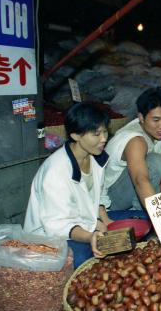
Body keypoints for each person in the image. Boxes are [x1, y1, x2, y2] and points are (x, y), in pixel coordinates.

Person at [24, 103, 123, 268]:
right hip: (52, 238)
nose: (104, 138)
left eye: (105, 131)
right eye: (96, 134)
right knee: (87, 259)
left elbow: (98, 195)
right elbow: (57, 225)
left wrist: (102, 219)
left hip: (87, 223)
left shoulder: (97, 158)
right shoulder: (56, 171)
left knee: (139, 220)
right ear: (76, 135)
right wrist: (91, 236)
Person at [102, 87, 161, 211]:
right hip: (113, 196)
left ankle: (141, 207)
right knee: (155, 161)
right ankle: (140, 213)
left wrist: (158, 197)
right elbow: (140, 180)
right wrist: (160, 216)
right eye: (156, 120)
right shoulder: (135, 140)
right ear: (141, 117)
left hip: (141, 184)